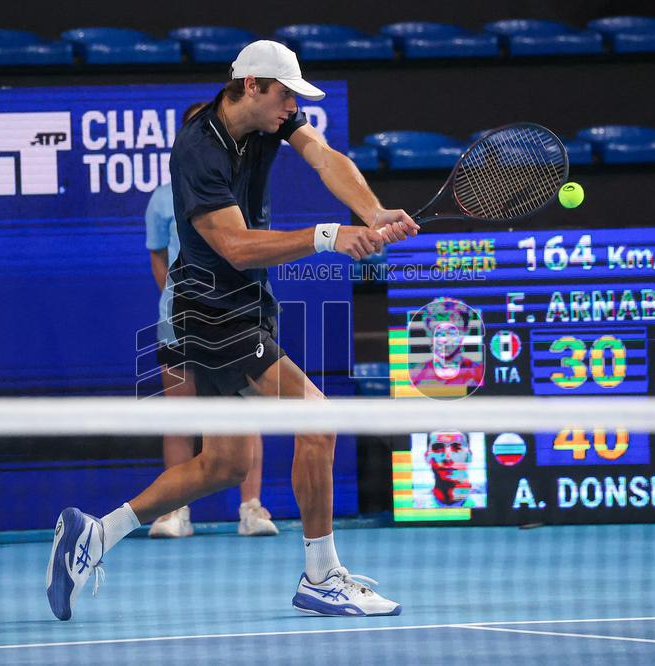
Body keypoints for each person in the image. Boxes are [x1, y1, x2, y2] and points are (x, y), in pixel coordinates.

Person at [47, 39, 418, 621]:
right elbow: (237, 248)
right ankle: (321, 576)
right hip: (210, 310)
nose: (292, 107)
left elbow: (325, 158)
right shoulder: (197, 150)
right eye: (285, 95)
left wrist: (369, 213)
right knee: (317, 420)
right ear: (252, 85)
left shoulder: (273, 122)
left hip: (244, 305)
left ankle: (95, 534)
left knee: (223, 464)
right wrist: (330, 235)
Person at [145, 101, 278, 539]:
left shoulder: (244, 186)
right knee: (181, 417)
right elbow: (160, 259)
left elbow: (250, 247)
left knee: (246, 415)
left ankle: (252, 508)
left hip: (243, 316)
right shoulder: (162, 198)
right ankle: (174, 512)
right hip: (180, 318)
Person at [418, 431, 476, 508]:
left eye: (456, 447)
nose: (447, 457)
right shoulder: (417, 504)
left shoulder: (482, 500)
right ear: (427, 456)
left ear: (469, 456)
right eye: (438, 448)